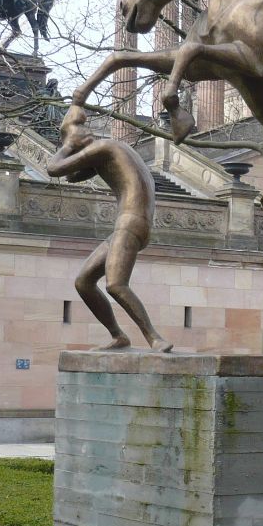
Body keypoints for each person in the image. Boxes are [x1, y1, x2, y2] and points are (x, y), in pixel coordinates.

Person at [46, 107, 172, 353]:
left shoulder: (101, 148)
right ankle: (118, 336)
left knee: (116, 285)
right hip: (131, 224)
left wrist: (67, 147)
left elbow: (53, 169)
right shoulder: (113, 149)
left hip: (130, 222)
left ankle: (155, 338)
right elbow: (73, 176)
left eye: (71, 139)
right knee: (84, 282)